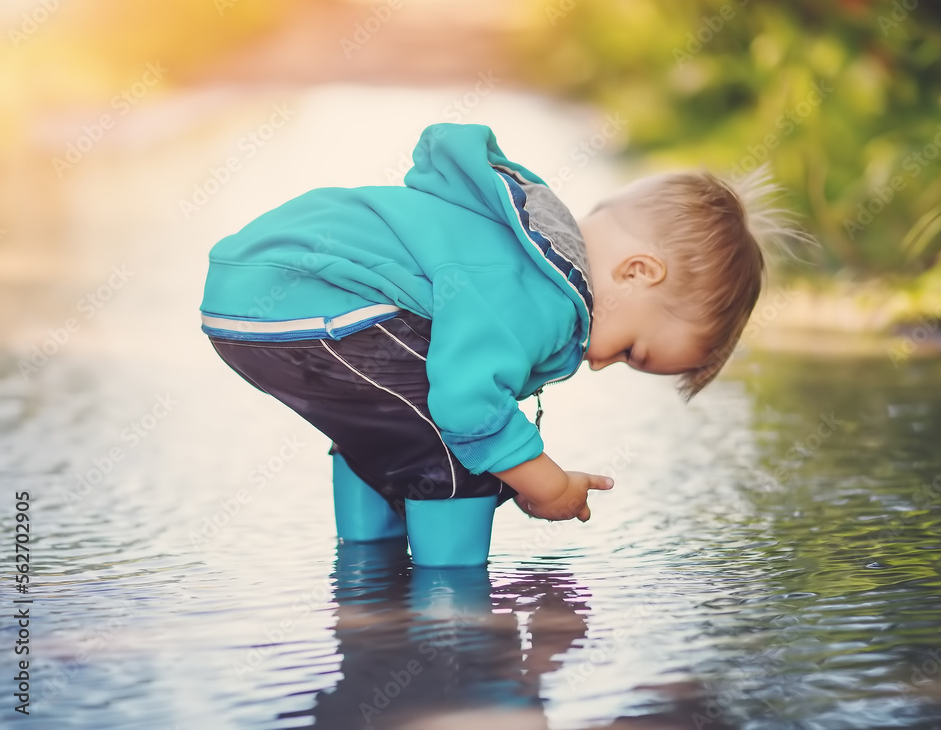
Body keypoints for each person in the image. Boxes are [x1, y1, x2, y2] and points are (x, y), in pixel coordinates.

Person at [198, 121, 804, 565]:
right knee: (458, 451)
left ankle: (366, 564)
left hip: (257, 292)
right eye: (630, 352)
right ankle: (454, 616)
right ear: (637, 272)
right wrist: (547, 484)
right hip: (315, 299)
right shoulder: (539, 289)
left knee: (394, 422)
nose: (599, 364)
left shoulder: (519, 242)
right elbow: (468, 406)